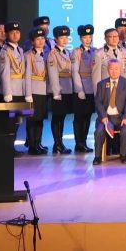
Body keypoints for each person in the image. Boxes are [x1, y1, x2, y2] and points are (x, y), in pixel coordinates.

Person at [0, 21, 29, 153]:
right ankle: (7, 148)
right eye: (12, 33)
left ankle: (12, 147)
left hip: (20, 91)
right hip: (11, 91)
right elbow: (4, 73)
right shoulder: (4, 51)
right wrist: (7, 92)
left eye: (17, 32)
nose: (15, 35)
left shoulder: (20, 50)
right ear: (7, 34)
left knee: (17, 121)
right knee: (9, 122)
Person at [93, 58, 126, 164]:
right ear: (108, 70)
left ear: (120, 70)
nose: (114, 71)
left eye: (116, 69)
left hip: (120, 117)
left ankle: (123, 155)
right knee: (99, 131)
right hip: (106, 118)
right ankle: (97, 156)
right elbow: (98, 102)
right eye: (111, 69)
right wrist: (103, 116)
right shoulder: (101, 84)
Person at [46, 25, 75, 155]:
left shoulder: (68, 52)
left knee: (62, 117)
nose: (65, 40)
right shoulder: (53, 54)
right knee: (57, 117)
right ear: (56, 39)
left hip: (67, 88)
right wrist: (56, 92)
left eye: (66, 37)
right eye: (62, 38)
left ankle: (58, 143)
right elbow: (53, 74)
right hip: (59, 89)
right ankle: (57, 143)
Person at [71, 24, 97, 153]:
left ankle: (84, 141)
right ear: (81, 38)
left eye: (89, 37)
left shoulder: (95, 51)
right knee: (79, 117)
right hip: (81, 88)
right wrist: (79, 89)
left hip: (92, 88)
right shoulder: (76, 52)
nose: (88, 39)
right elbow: (74, 71)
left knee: (88, 116)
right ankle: (78, 143)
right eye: (85, 37)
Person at [24, 27, 50, 155]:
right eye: (38, 39)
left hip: (44, 91)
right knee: (32, 119)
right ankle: (32, 145)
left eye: (42, 38)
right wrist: (28, 94)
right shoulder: (28, 55)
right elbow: (27, 76)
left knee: (40, 118)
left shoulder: (47, 54)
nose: (41, 41)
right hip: (33, 91)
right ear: (32, 41)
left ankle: (38, 143)